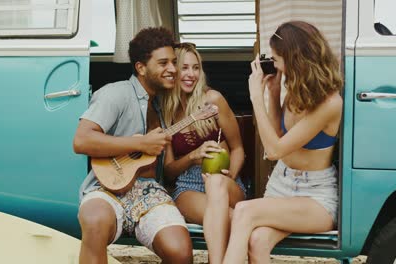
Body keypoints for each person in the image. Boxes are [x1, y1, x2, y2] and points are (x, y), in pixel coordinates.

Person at [221, 21, 343, 264]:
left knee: (243, 212)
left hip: (315, 196)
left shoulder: (330, 102)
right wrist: (274, 94)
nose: (273, 65)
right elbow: (279, 136)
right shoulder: (297, 90)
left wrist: (256, 96)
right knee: (257, 241)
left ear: (294, 58)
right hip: (282, 184)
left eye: (276, 59)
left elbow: (274, 150)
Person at [73, 27, 193, 264]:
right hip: (105, 189)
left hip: (148, 191)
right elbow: (82, 140)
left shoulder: (161, 105)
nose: (172, 69)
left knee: (179, 251)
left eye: (173, 62)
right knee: (95, 221)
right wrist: (140, 143)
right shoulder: (115, 94)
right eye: (163, 63)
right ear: (141, 67)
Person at [161, 42, 246, 264]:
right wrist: (192, 156)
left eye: (196, 68)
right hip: (188, 185)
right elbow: (169, 172)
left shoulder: (213, 99)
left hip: (224, 179)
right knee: (228, 218)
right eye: (184, 68)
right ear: (173, 71)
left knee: (221, 200)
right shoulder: (165, 109)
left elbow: (238, 149)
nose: (191, 74)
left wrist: (226, 181)